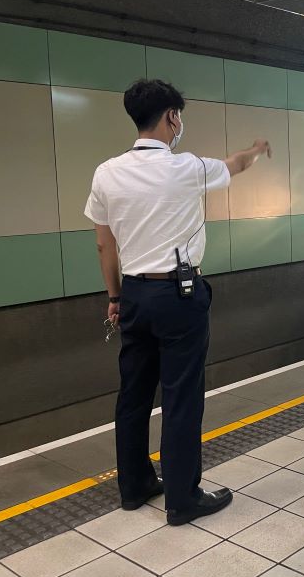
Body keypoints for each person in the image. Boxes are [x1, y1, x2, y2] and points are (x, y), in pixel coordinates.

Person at [84, 79, 272, 525]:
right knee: (181, 397)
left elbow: (104, 244)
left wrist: (115, 297)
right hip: (179, 295)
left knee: (133, 395)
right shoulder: (188, 167)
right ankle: (183, 499)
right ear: (172, 117)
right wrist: (256, 148)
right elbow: (236, 164)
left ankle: (135, 487)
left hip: (133, 294)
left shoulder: (106, 172)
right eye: (179, 116)